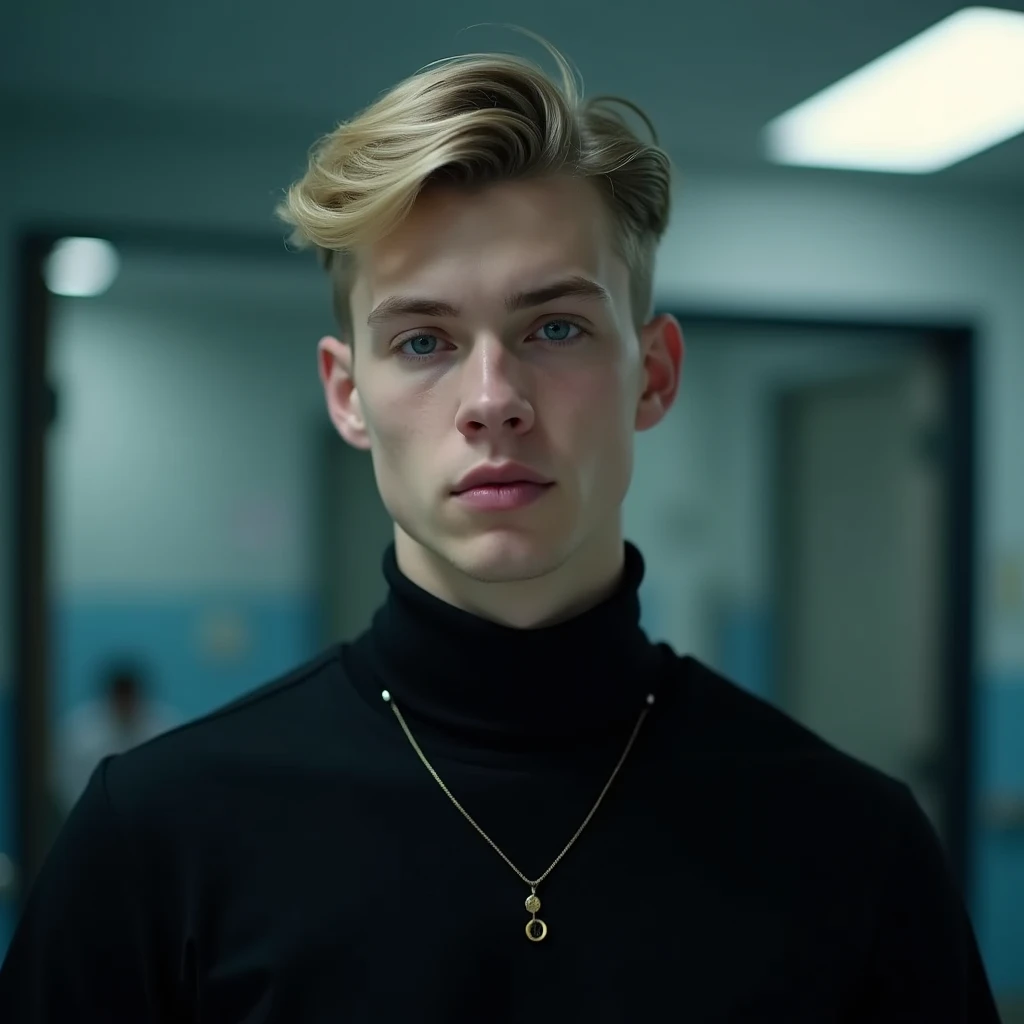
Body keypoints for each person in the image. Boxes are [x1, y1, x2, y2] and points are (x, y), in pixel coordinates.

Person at [0, 37, 1001, 1024]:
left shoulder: (852, 846)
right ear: (349, 396)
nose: (492, 400)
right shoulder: (158, 838)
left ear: (651, 374)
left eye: (554, 327)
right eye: (423, 340)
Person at [52, 662, 182, 816]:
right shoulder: (80, 735)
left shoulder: (163, 728)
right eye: (121, 698)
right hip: (89, 816)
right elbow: (64, 781)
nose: (125, 704)